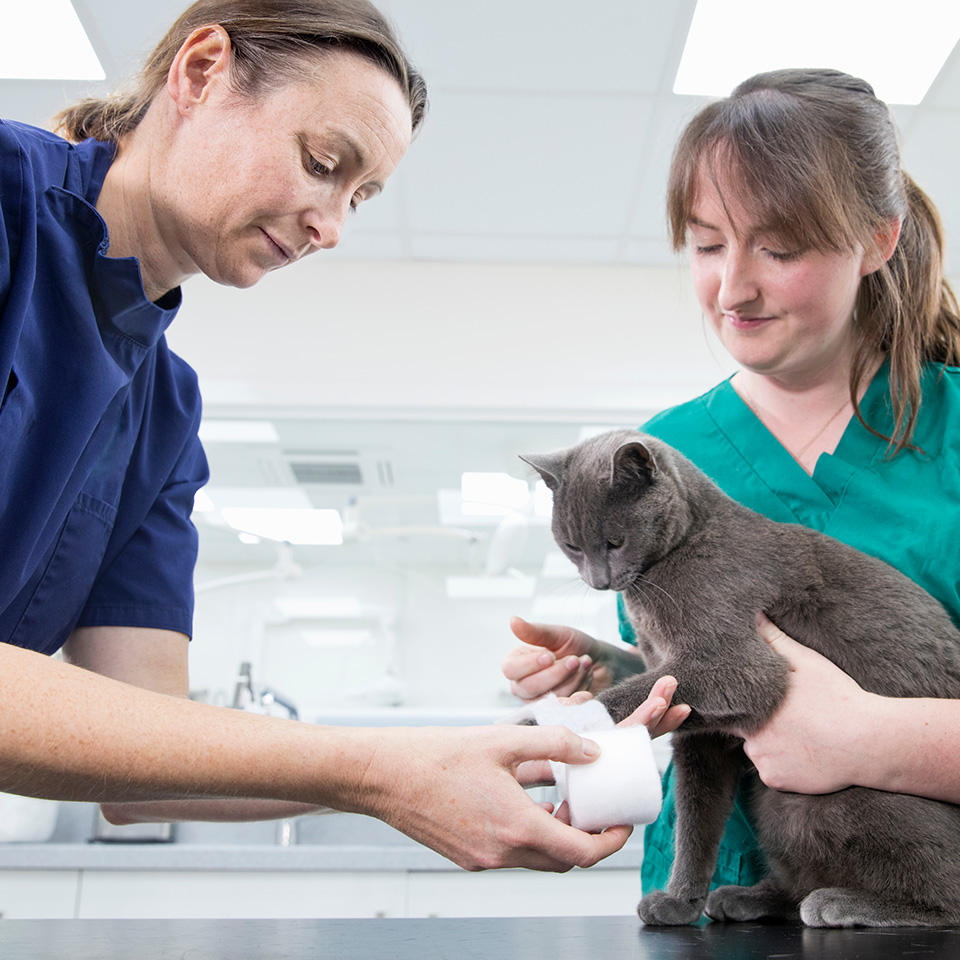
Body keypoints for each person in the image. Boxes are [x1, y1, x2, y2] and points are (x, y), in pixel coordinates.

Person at [0, 0, 679, 874]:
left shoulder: (164, 411)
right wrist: (374, 772)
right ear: (201, 72)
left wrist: (512, 746)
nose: (333, 227)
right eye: (323, 163)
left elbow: (144, 766)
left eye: (359, 196)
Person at [502, 67, 960, 891]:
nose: (733, 287)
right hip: (716, 909)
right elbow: (720, 672)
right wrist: (618, 675)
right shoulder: (660, 456)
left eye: (778, 248)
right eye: (709, 244)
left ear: (879, 240)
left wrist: (875, 736)